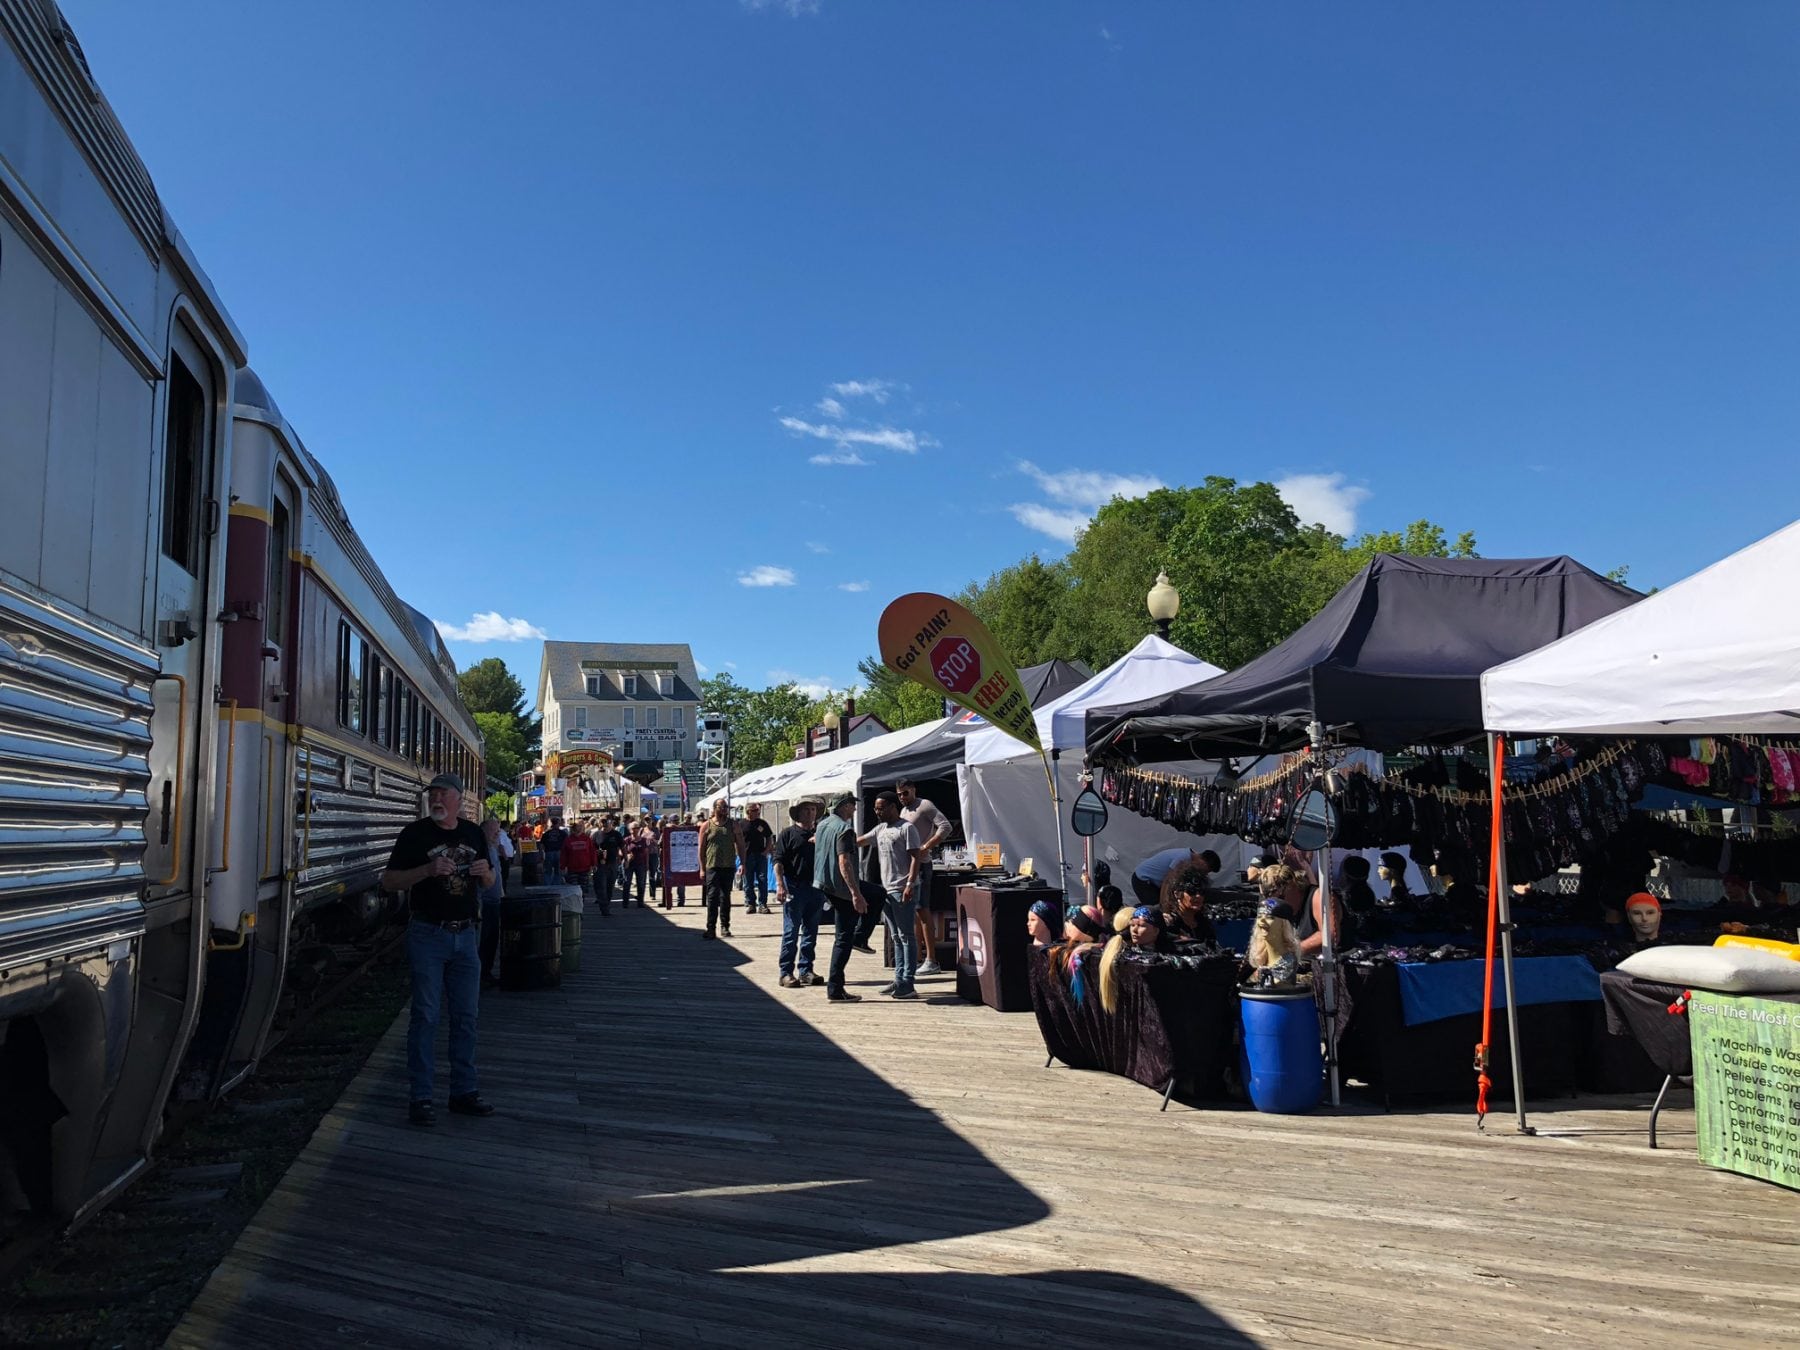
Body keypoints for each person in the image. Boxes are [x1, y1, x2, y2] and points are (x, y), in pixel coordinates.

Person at [379, 773, 495, 1126]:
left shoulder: (473, 833)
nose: (437, 799)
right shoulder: (414, 835)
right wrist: (427, 870)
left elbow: (489, 881)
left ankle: (463, 1091)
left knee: (466, 1018)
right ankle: (422, 1097)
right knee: (426, 1016)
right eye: (433, 794)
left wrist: (484, 872)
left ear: (459, 799)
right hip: (428, 933)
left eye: (443, 793)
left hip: (466, 936)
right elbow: (388, 881)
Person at [862, 791, 930, 999]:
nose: (877, 811)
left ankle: (908, 982)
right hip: (887, 890)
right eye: (875, 808)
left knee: (907, 935)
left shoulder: (907, 828)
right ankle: (899, 978)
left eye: (881, 808)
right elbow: (861, 840)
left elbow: (915, 857)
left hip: (903, 889)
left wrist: (910, 883)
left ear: (892, 807)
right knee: (896, 937)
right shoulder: (881, 829)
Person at [813, 793, 868, 1001]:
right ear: (844, 806)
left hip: (824, 883)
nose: (854, 809)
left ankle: (861, 937)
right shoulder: (845, 829)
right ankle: (835, 988)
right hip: (841, 888)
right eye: (853, 805)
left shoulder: (823, 824)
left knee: (877, 894)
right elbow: (844, 862)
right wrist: (855, 893)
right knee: (843, 939)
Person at [895, 779, 953, 975]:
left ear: (913, 790)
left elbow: (945, 826)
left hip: (922, 864)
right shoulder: (904, 811)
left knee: (923, 910)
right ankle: (917, 957)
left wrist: (926, 846)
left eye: (906, 793)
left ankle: (931, 959)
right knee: (913, 913)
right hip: (909, 865)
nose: (903, 797)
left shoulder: (925, 805)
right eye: (899, 794)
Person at [773, 801, 825, 987]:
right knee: (791, 931)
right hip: (794, 887)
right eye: (806, 809)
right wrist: (780, 885)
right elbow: (778, 861)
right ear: (798, 813)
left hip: (817, 887)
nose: (810, 813)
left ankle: (806, 970)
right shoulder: (788, 833)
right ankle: (785, 972)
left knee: (811, 932)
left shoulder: (821, 832)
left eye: (813, 810)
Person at [1129, 845, 1216, 908]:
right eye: (1206, 870)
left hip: (1154, 882)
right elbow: (1167, 881)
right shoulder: (1184, 857)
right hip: (1143, 880)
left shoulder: (1190, 859)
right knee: (1156, 909)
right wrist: (1164, 906)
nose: (1205, 873)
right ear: (1203, 862)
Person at [699, 799, 738, 940]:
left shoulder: (733, 825)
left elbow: (740, 844)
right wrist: (702, 868)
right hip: (712, 866)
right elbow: (701, 848)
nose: (724, 810)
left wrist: (743, 863)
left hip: (728, 866)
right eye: (721, 807)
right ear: (714, 808)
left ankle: (725, 926)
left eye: (726, 807)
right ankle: (710, 928)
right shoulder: (706, 825)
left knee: (725, 897)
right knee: (712, 897)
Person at [478, 817, 506, 988]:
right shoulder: (481, 851)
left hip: (495, 901)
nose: (497, 834)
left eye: (498, 831)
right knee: (483, 940)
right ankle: (480, 975)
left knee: (492, 940)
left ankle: (486, 972)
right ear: (483, 832)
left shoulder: (493, 849)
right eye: (493, 831)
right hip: (484, 902)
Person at [1161, 863, 1218, 945]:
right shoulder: (1169, 923)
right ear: (1177, 893)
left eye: (1202, 892)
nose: (1198, 896)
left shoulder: (1204, 923)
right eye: (1191, 891)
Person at [738, 801, 776, 916]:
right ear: (748, 811)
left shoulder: (762, 823)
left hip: (760, 855)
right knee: (748, 882)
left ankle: (762, 904)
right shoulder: (741, 824)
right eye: (755, 810)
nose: (757, 813)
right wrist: (740, 856)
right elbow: (737, 842)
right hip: (747, 856)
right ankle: (751, 904)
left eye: (758, 810)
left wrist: (766, 851)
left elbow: (769, 837)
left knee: (762, 880)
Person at [561, 820, 599, 912]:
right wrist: (562, 866)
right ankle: (575, 908)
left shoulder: (587, 839)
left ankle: (581, 907)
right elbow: (564, 854)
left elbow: (592, 852)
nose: (579, 829)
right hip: (572, 868)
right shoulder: (568, 840)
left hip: (585, 868)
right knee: (574, 890)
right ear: (573, 829)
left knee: (583, 890)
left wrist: (594, 864)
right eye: (577, 827)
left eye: (580, 827)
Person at [595, 815, 625, 912]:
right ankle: (604, 908)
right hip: (600, 864)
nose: (604, 823)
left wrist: (625, 859)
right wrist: (597, 853)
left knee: (610, 886)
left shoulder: (616, 834)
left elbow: (622, 847)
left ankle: (607, 904)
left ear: (611, 822)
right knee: (601, 886)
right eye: (602, 821)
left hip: (613, 863)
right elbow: (591, 849)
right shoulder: (596, 834)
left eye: (606, 821)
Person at [623, 821, 651, 907]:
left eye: (637, 828)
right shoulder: (627, 840)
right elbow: (621, 851)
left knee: (641, 884)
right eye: (633, 828)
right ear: (629, 829)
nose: (635, 830)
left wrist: (647, 864)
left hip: (641, 864)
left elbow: (647, 853)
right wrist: (626, 856)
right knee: (627, 883)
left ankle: (640, 902)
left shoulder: (643, 840)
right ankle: (625, 903)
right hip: (629, 864)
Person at [540, 818, 567, 886]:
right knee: (558, 870)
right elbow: (566, 844)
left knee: (548, 870)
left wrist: (542, 854)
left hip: (549, 852)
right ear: (558, 823)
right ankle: (556, 885)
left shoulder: (546, 833)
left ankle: (547, 885)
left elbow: (542, 845)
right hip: (559, 852)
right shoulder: (563, 833)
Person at [493, 818, 515, 889]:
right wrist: (505, 857)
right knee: (503, 875)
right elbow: (501, 846)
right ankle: (502, 890)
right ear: (506, 826)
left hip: (504, 857)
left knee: (504, 875)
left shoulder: (504, 834)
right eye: (508, 826)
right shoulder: (501, 834)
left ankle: (503, 890)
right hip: (503, 857)